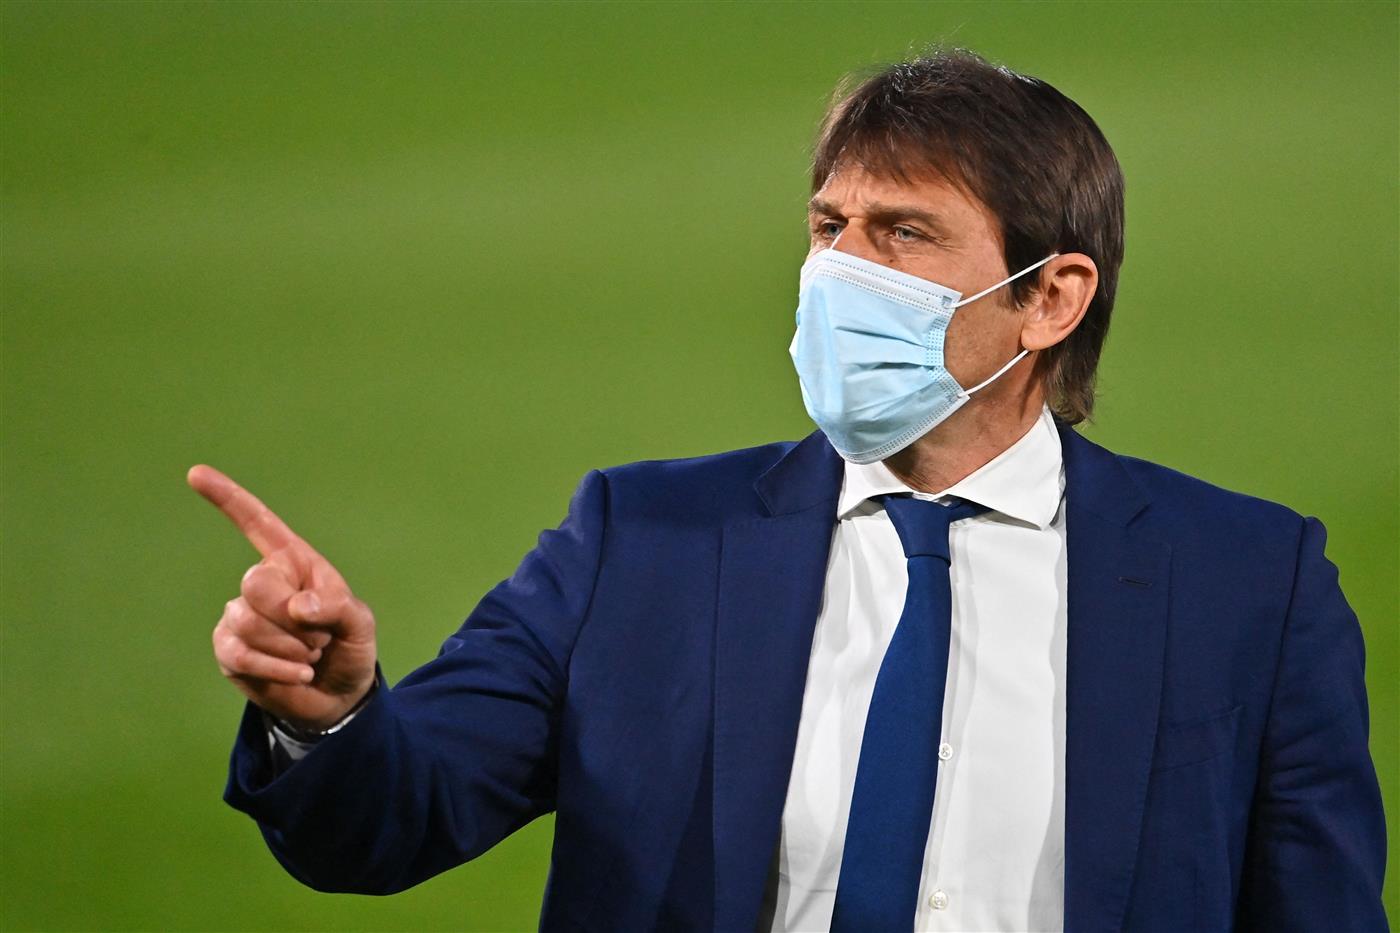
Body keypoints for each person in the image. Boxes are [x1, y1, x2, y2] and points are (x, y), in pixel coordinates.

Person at [191, 49, 1388, 932]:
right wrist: (328, 712)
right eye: (829, 225)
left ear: (1049, 297)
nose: (836, 271)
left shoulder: (1245, 584)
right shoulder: (642, 541)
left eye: (902, 235)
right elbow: (391, 820)